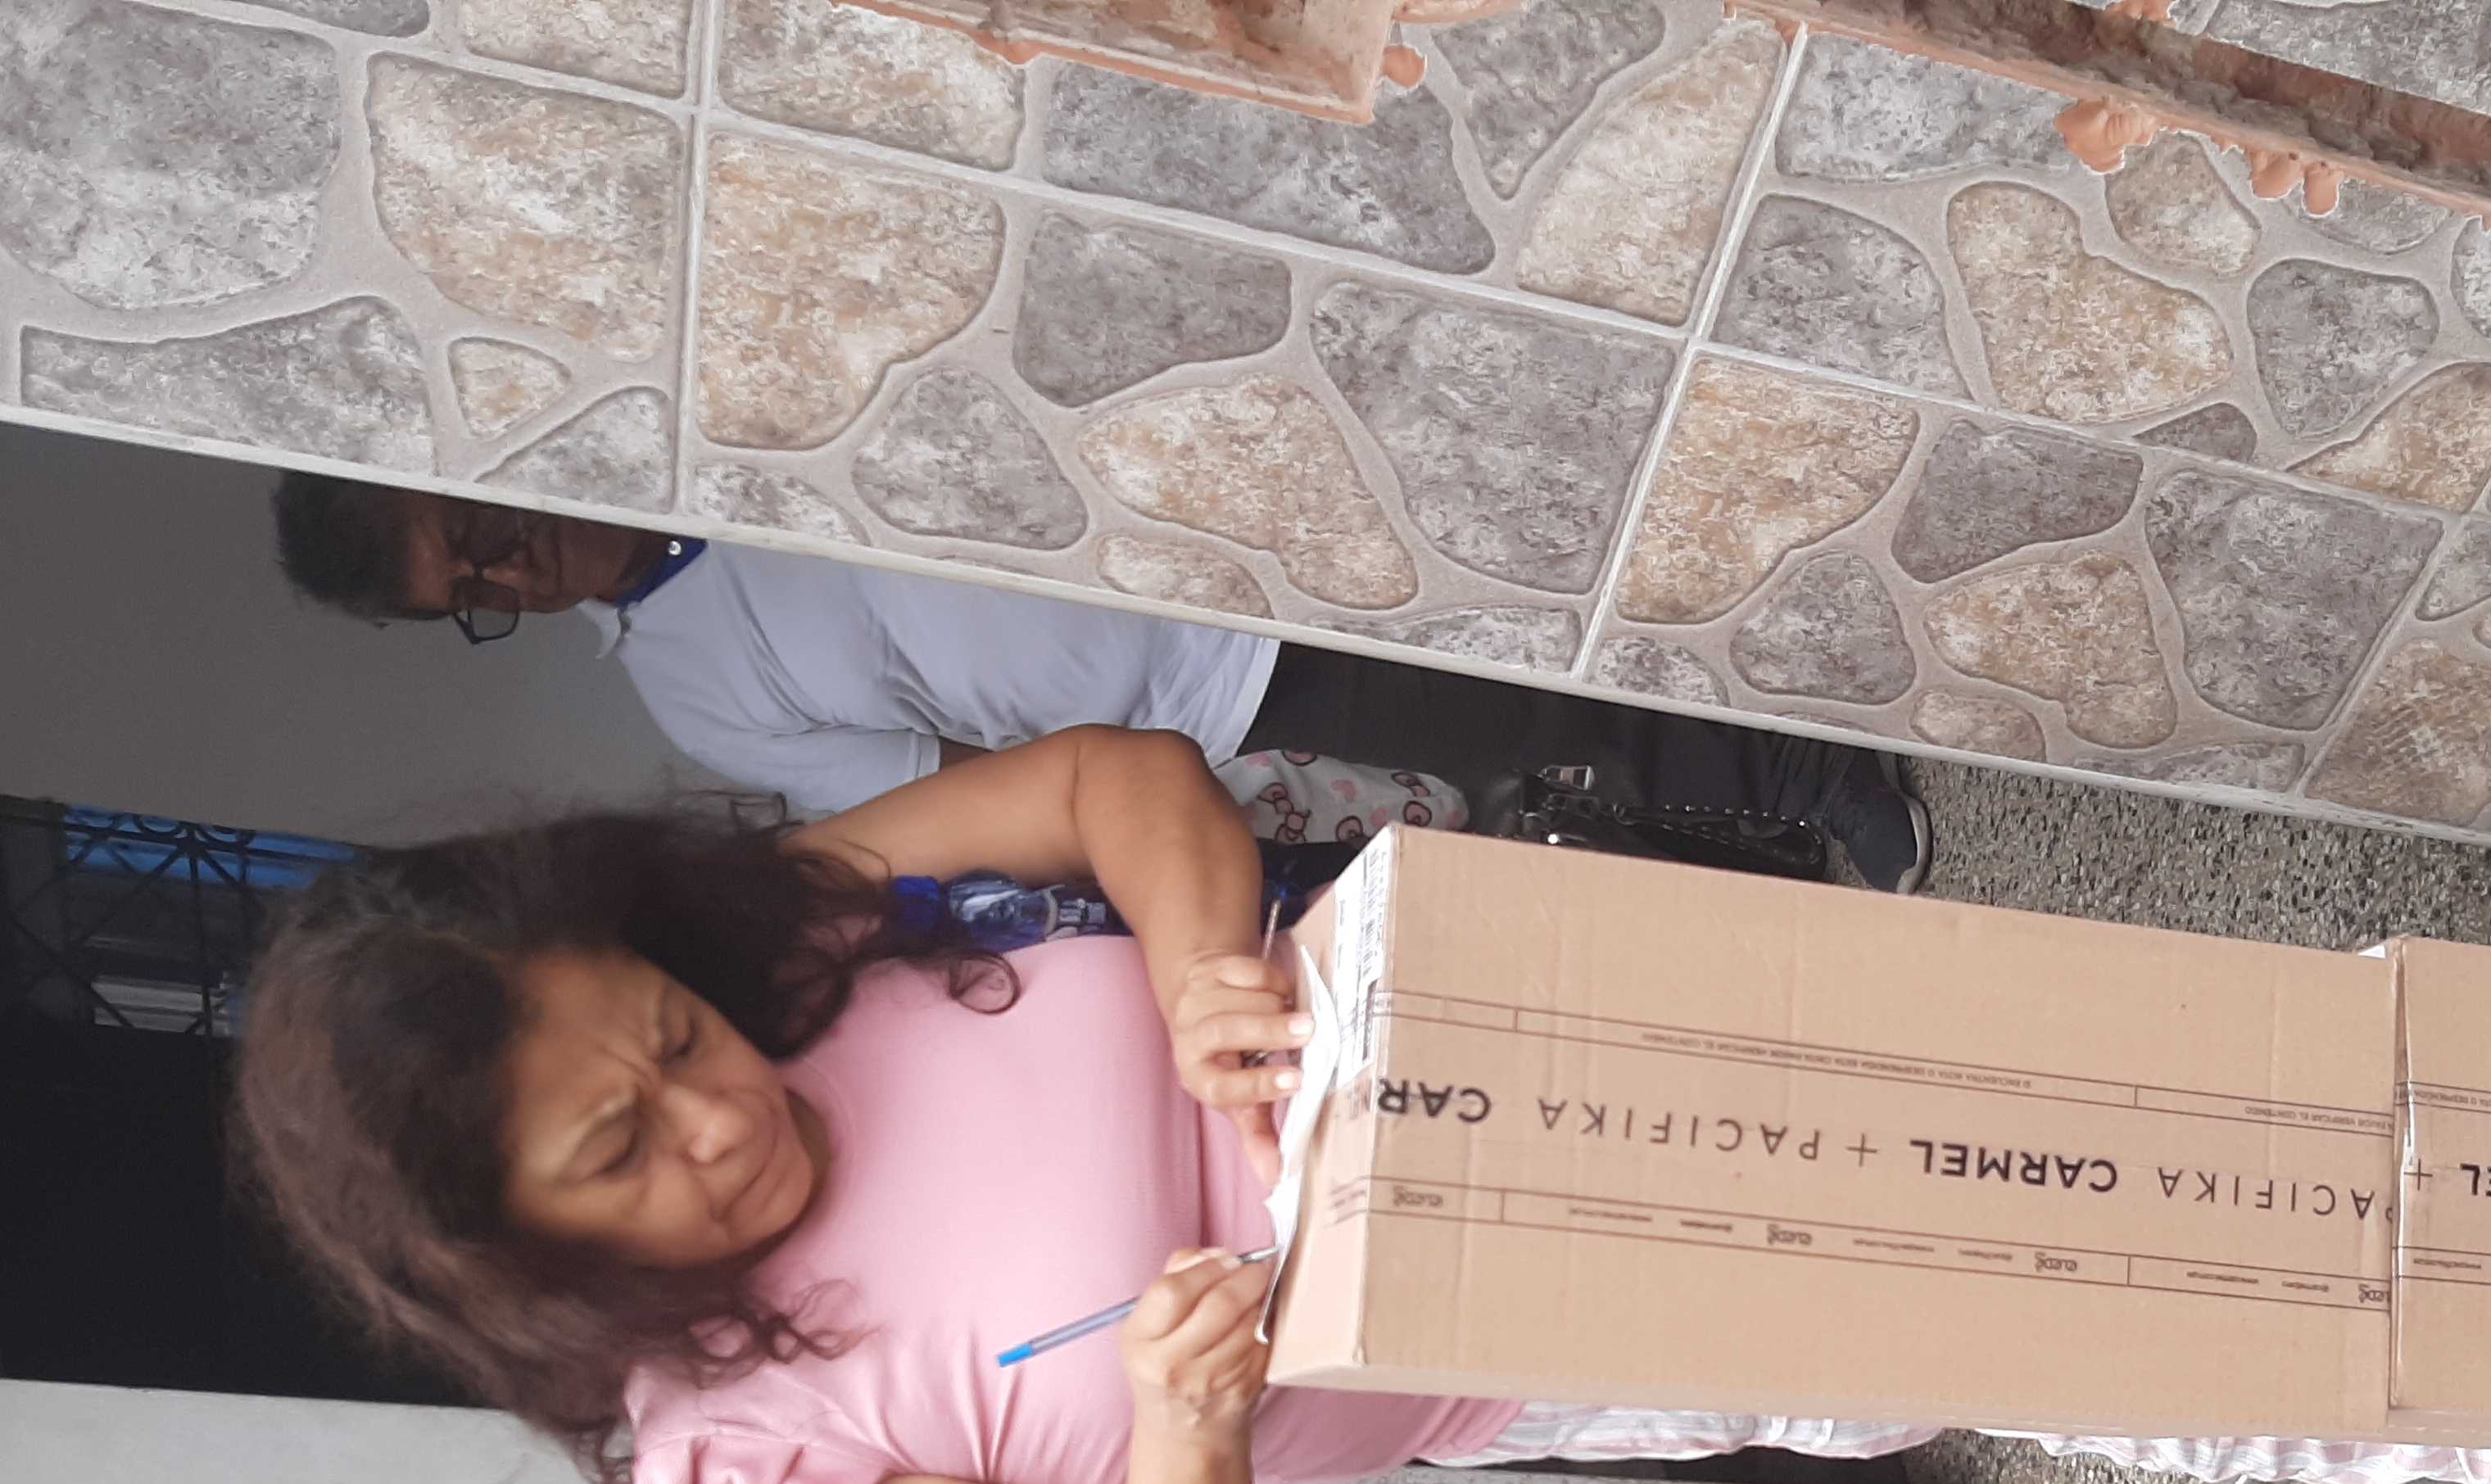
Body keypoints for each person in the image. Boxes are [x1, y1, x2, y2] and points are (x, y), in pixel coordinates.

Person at [233, 727, 2491, 1484]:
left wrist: (1199, 963)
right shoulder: (745, 1467)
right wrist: (1186, 1434)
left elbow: (1120, 782)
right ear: (518, 1258)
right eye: (624, 1148)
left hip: (1525, 1025)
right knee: (1998, 1311)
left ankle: (2488, 1139)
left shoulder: (788, 934)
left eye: (672, 1037)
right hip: (1521, 1318)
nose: (717, 1111)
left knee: (2025, 1078)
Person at [266, 477, 1933, 893]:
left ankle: (1815, 679)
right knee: (1526, 752)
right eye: (469, 593)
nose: (509, 571)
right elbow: (948, 799)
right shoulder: (696, 695)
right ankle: (1815, 794)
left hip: (1214, 517)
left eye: (476, 533)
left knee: (1531, 580)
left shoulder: (722, 423)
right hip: (1214, 700)